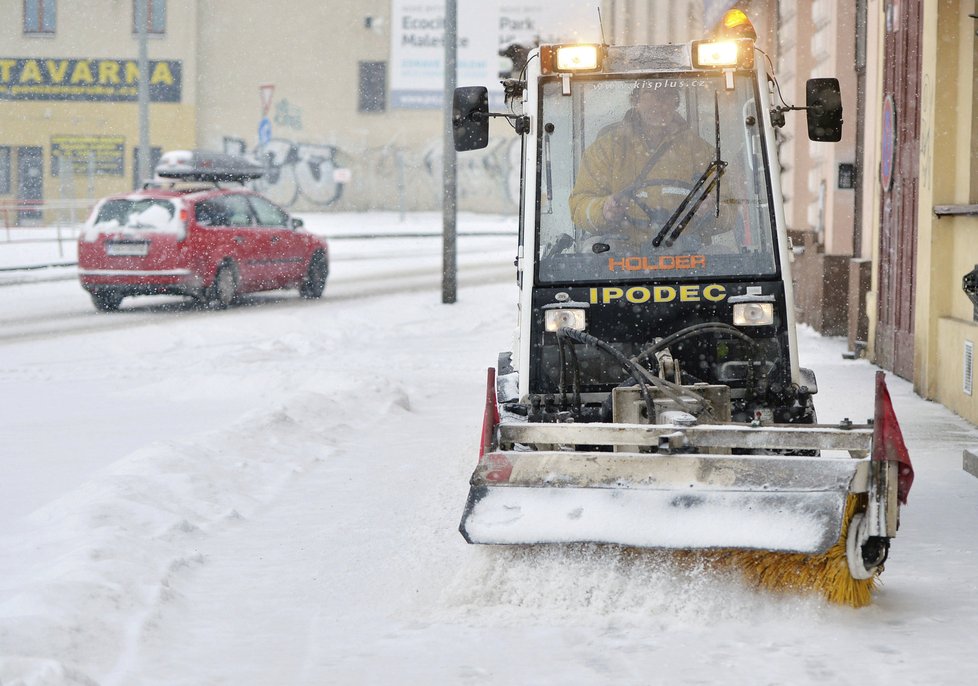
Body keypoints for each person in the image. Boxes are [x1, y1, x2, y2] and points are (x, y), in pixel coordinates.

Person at [568, 83, 715, 247]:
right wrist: (604, 210)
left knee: (719, 253)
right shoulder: (607, 149)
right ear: (635, 100)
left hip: (684, 250)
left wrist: (710, 210)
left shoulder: (699, 151)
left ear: (676, 102)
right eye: (651, 94)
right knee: (592, 252)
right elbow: (579, 206)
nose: (660, 103)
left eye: (668, 94)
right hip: (619, 254)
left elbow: (729, 207)